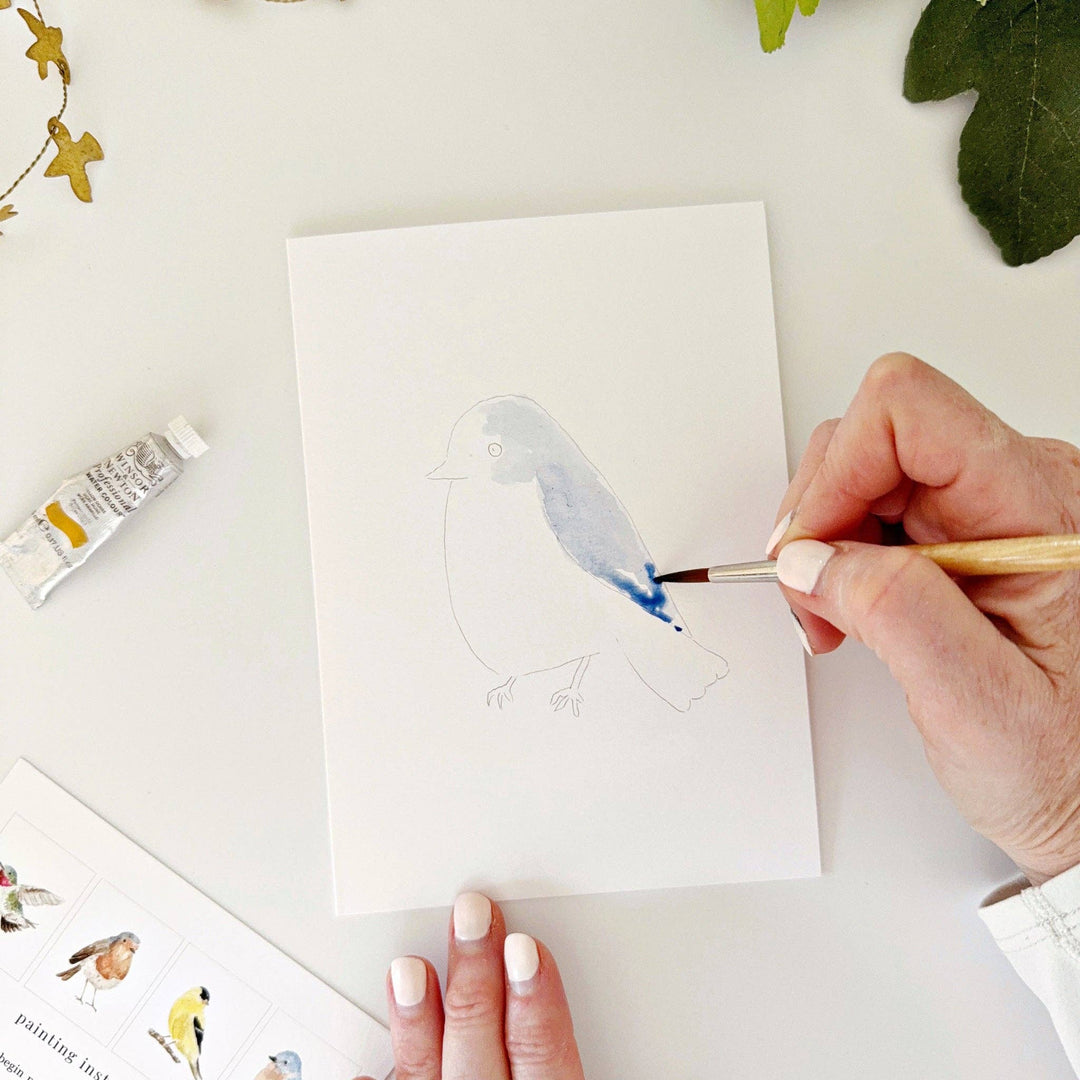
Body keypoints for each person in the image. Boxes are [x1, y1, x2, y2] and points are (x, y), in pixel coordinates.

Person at [358, 355, 1080, 1080]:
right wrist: (1063, 819)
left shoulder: (553, 496)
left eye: (484, 452)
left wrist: (1063, 815)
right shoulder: (478, 503)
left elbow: (598, 577)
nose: (465, 466)